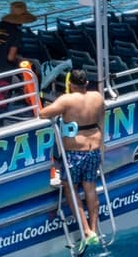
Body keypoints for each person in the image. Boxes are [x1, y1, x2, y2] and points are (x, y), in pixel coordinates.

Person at [38, 76, 106, 241]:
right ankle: (94, 227)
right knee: (90, 187)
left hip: (75, 152)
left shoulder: (67, 100)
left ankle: (86, 230)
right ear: (87, 83)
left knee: (70, 188)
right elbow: (102, 119)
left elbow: (43, 113)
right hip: (94, 148)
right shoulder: (97, 97)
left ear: (70, 84)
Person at [0, 0, 34, 77]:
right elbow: (11, 58)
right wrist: (20, 58)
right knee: (32, 66)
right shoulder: (16, 33)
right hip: (4, 72)